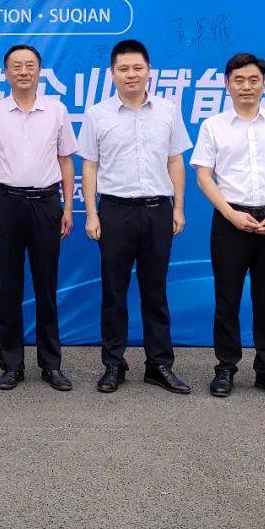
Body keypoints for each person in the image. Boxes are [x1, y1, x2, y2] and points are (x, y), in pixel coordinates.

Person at [191, 52, 265, 401]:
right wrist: (230, 213)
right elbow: (203, 175)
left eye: (253, 79)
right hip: (230, 221)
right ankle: (225, 368)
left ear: (264, 84)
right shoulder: (213, 126)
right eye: (239, 80)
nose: (246, 86)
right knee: (226, 298)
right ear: (227, 84)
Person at [78, 39, 193, 395]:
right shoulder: (97, 114)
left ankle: (159, 364)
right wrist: (92, 213)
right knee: (114, 292)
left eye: (137, 68)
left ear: (149, 71)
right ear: (112, 73)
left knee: (155, 292)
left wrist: (178, 207)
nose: (131, 74)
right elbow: (89, 166)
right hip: (115, 211)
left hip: (158, 210)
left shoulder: (168, 111)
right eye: (124, 69)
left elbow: (176, 161)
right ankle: (114, 364)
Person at [0, 44, 76, 392]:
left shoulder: (56, 110)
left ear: (39, 71)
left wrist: (67, 207)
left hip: (47, 203)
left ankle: (51, 365)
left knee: (46, 287)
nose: (23, 71)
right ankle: (12, 365)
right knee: (10, 288)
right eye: (16, 66)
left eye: (30, 65)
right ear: (6, 73)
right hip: (7, 203)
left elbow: (66, 160)